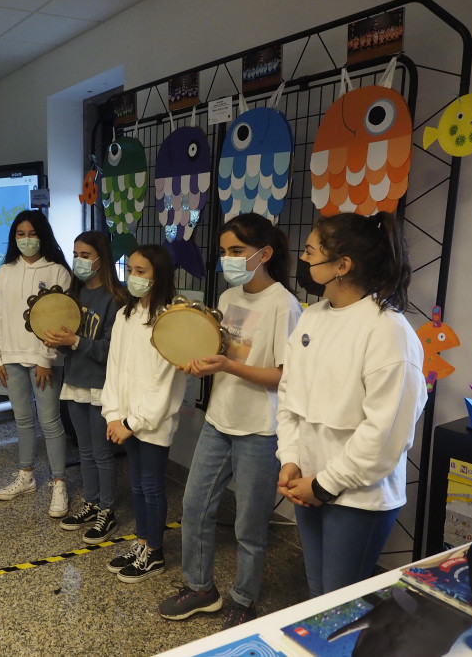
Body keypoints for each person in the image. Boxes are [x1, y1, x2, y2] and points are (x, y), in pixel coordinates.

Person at [158, 213, 302, 628]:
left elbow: (283, 375)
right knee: (194, 506)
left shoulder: (284, 305)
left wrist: (228, 366)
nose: (228, 259)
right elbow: (217, 353)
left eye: (237, 251)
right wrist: (204, 365)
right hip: (219, 420)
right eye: (224, 252)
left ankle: (244, 599)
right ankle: (201, 589)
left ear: (265, 253)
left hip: (260, 429)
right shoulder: (226, 298)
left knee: (250, 523)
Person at [276, 211, 427, 597]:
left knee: (340, 599)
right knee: (317, 595)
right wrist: (290, 457)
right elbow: (290, 398)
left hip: (357, 496)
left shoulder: (388, 331)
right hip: (306, 481)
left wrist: (325, 486)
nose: (304, 259)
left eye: (311, 252)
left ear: (342, 265)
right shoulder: (311, 318)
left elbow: (384, 436)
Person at [100, 244, 187, 582]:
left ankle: (155, 553)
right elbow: (115, 368)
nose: (133, 277)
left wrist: (132, 423)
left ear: (159, 276)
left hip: (150, 423)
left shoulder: (170, 320)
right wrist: (113, 415)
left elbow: (164, 385)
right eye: (130, 270)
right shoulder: (126, 314)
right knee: (136, 485)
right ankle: (142, 542)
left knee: (151, 486)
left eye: (141, 272)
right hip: (124, 421)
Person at [0, 209, 73, 517]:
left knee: (50, 421)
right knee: (22, 419)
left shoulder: (58, 271)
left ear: (42, 235)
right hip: (10, 357)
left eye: (32, 233)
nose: (26, 239)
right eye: (20, 234)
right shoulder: (5, 270)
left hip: (43, 361)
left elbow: (62, 319)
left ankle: (59, 483)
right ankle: (26, 476)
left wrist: (46, 359)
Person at [43, 230, 128, 544]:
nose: (78, 260)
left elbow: (110, 350)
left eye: (85, 255)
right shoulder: (73, 297)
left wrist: (75, 341)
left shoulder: (116, 299)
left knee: (103, 453)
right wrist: (58, 343)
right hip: (74, 382)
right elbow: (70, 348)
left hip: (101, 388)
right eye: (76, 254)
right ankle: (91, 502)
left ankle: (107, 510)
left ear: (101, 259)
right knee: (86, 450)